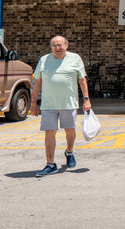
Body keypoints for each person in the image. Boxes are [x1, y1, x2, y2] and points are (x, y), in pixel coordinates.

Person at [31, 36, 91, 177]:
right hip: (48, 104)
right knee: (49, 132)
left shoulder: (75, 58)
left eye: (59, 45)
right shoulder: (44, 60)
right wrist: (33, 102)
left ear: (66, 45)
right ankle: (50, 164)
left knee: (70, 131)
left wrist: (86, 100)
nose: (57, 48)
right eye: (54, 45)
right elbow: (37, 82)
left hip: (68, 103)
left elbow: (82, 80)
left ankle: (69, 152)